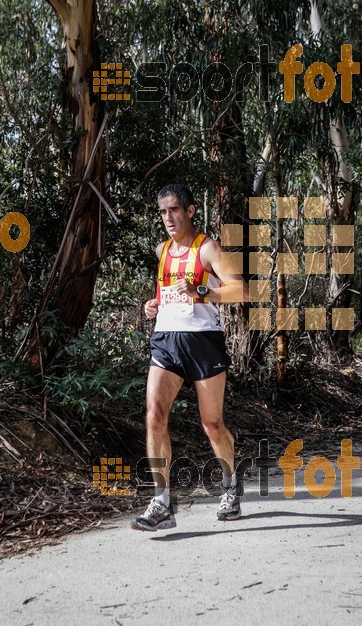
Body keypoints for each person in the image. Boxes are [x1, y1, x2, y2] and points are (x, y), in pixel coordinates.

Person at [130, 184, 248, 532]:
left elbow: (241, 290)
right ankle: (162, 502)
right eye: (163, 212)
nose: (168, 217)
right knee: (153, 414)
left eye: (175, 210)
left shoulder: (208, 248)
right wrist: (153, 305)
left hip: (203, 343)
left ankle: (229, 486)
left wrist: (201, 290)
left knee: (211, 424)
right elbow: (166, 294)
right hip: (166, 341)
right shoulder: (162, 250)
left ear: (191, 211)